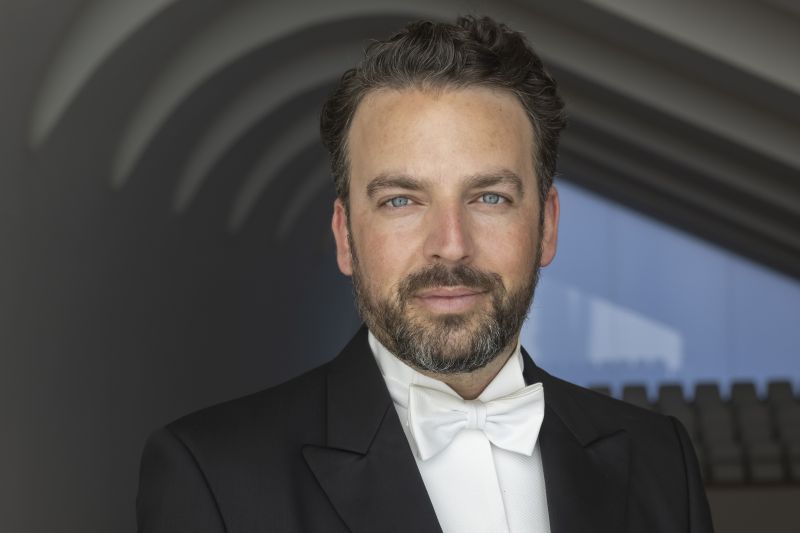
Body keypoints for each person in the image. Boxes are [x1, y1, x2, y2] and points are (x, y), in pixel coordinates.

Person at [137, 15, 714, 533]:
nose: (451, 246)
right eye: (401, 201)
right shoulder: (211, 474)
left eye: (489, 197)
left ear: (547, 227)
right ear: (344, 236)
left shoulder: (660, 459)